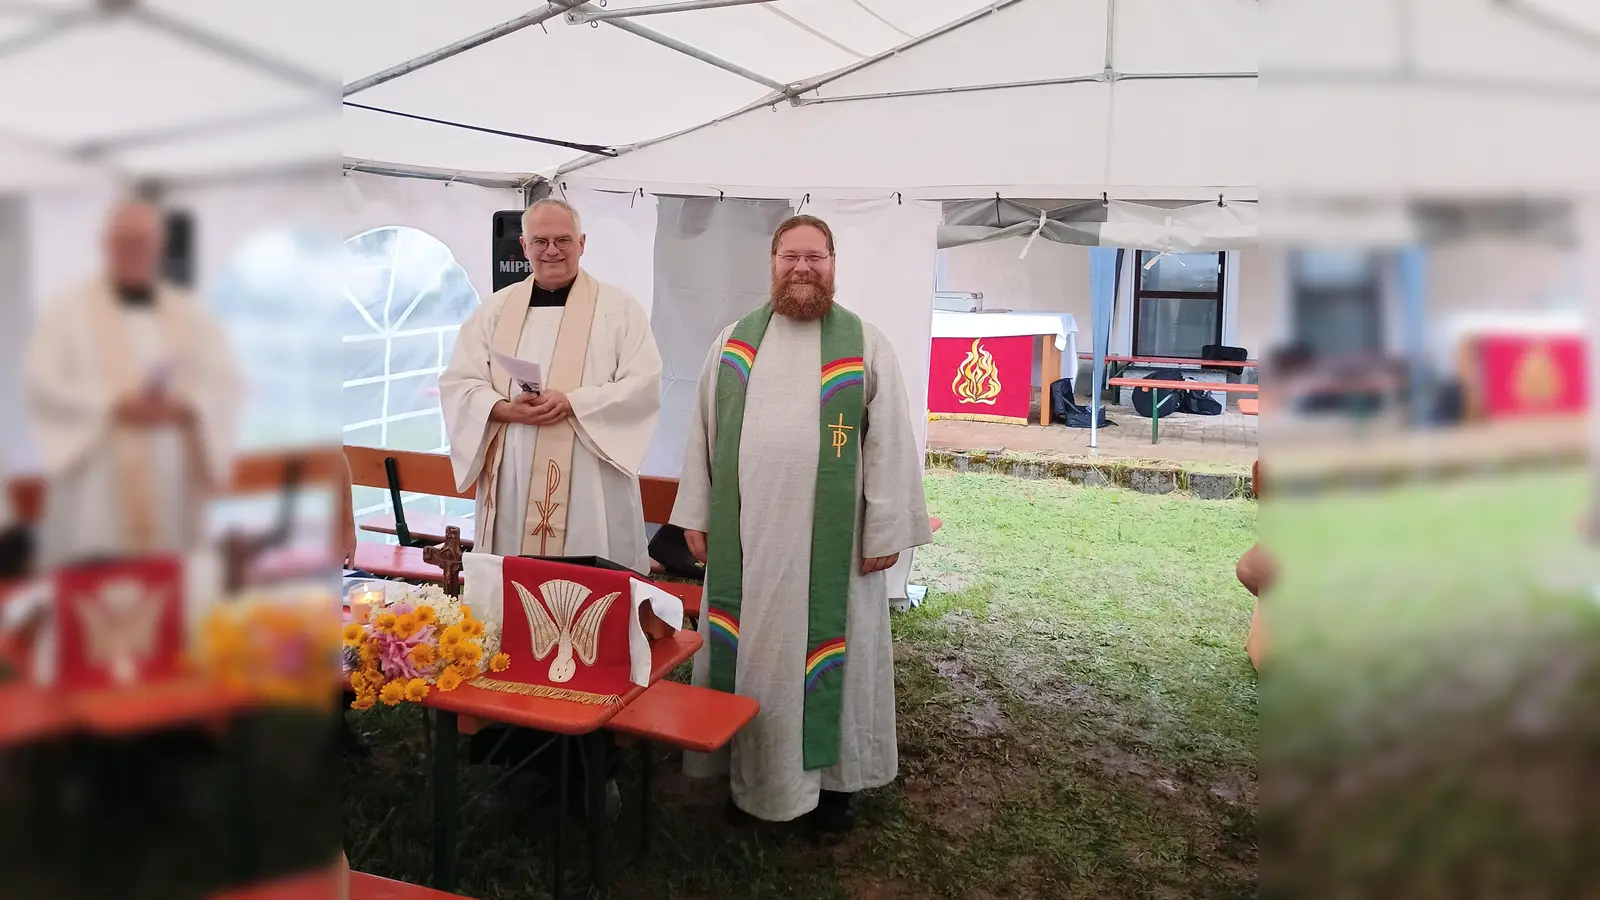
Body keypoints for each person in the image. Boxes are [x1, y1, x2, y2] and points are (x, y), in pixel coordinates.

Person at [671, 214, 933, 838]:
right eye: (791, 256)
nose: (803, 268)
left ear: (834, 263)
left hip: (834, 550)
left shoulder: (865, 344)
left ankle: (835, 788)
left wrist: (884, 530)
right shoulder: (734, 343)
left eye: (816, 257)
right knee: (755, 658)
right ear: (773, 263)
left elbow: (893, 444)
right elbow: (702, 436)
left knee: (837, 659)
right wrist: (698, 515)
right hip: (749, 546)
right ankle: (751, 778)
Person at [438, 199, 661, 573]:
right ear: (524, 246)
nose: (552, 251)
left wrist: (574, 402)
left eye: (563, 240)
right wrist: (504, 408)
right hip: (515, 469)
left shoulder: (620, 309)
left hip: (590, 470)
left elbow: (643, 384)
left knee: (592, 579)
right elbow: (460, 381)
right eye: (540, 241)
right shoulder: (495, 310)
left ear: (582, 243)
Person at [24, 199, 238, 565]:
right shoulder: (66, 312)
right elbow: (43, 385)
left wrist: (187, 406)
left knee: (170, 591)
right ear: (105, 244)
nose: (133, 251)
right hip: (97, 491)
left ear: (159, 247)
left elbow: (224, 381)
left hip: (171, 487)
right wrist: (112, 404)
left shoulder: (188, 314)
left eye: (143, 242)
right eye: (124, 241)